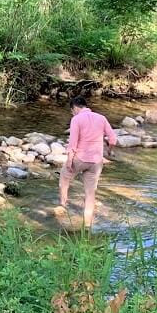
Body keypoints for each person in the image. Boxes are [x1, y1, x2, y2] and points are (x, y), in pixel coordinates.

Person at [59, 94, 118, 229]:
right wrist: (109, 151)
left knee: (64, 178)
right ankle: (87, 225)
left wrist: (69, 160)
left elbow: (73, 142)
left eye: (71, 111)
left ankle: (63, 205)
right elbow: (113, 139)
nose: (72, 113)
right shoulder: (101, 118)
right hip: (96, 161)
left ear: (74, 108)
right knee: (90, 194)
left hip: (79, 158)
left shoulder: (76, 119)